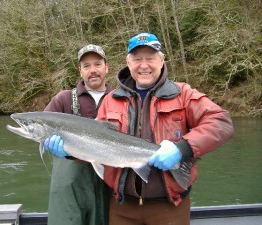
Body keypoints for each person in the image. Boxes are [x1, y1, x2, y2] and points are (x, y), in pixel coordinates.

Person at [96, 32, 234, 225]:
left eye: (150, 58)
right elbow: (92, 145)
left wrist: (182, 149)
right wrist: (68, 149)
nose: (144, 65)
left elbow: (221, 122)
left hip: (170, 207)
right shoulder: (110, 100)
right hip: (121, 208)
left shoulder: (183, 94)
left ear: (161, 61)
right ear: (128, 63)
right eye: (137, 59)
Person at [43, 44, 112, 225]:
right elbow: (42, 130)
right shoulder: (63, 99)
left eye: (97, 64)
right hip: (70, 190)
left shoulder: (122, 99)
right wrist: (48, 143)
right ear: (80, 71)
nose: (93, 70)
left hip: (111, 184)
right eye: (87, 66)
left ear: (107, 67)